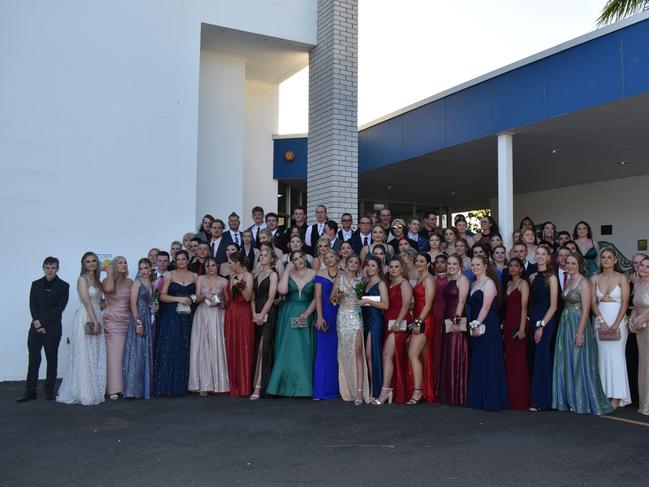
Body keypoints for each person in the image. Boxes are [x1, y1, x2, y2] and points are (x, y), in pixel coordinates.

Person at [552, 253, 612, 415]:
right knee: (567, 359)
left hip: (578, 322)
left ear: (579, 264)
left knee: (579, 360)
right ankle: (569, 399)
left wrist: (580, 333)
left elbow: (586, 310)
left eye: (573, 263)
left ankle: (582, 400)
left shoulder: (584, 282)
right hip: (565, 323)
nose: (569, 265)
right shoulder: (569, 280)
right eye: (567, 263)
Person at [57, 252, 106, 406]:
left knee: (95, 353)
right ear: (84, 264)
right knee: (85, 354)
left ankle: (94, 388)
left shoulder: (97, 281)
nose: (91, 264)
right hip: (87, 317)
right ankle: (84, 392)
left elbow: (100, 302)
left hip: (97, 315)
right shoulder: (82, 279)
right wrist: (95, 321)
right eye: (87, 261)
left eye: (93, 261)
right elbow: (86, 301)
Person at [18, 257, 69, 402]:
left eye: (53, 267)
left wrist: (42, 323)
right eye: (47, 267)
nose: (50, 270)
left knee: (51, 359)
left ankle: (49, 391)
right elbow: (32, 306)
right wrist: (37, 324)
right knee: (33, 359)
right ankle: (30, 391)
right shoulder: (35, 284)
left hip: (52, 328)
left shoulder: (64, 286)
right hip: (35, 328)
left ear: (57, 269)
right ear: (43, 268)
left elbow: (58, 309)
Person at [266, 251, 317, 397]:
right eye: (295, 259)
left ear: (305, 258)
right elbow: (282, 290)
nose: (298, 260)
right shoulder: (289, 272)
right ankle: (282, 386)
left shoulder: (314, 273)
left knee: (303, 349)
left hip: (307, 311)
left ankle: (304, 387)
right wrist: (287, 270)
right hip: (288, 313)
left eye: (300, 257)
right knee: (287, 348)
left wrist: (307, 313)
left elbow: (317, 297)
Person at [466, 256, 508, 411]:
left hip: (488, 323)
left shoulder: (489, 283)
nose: (475, 267)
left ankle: (492, 399)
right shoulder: (473, 283)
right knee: (479, 358)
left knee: (489, 359)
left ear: (485, 266)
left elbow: (486, 306)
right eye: (472, 265)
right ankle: (479, 398)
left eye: (478, 264)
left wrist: (477, 323)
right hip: (475, 323)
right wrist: (473, 324)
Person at [591, 248, 631, 408]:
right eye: (603, 257)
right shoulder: (594, 278)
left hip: (618, 320)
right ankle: (604, 394)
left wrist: (615, 324)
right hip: (601, 320)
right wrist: (601, 320)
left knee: (617, 358)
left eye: (609, 257)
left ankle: (616, 397)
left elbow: (626, 303)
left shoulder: (622, 278)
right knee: (602, 358)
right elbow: (593, 302)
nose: (606, 260)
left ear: (615, 260)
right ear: (600, 260)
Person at [153, 250, 197, 397]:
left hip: (188, 316)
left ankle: (182, 384)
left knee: (184, 347)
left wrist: (192, 298)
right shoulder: (169, 275)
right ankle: (166, 385)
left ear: (188, 260)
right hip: (171, 315)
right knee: (170, 347)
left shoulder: (195, 276)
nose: (181, 261)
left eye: (183, 259)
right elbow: (162, 296)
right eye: (178, 259)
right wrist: (179, 299)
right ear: (175, 261)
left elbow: (198, 295)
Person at [373, 257, 413, 405]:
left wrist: (397, 323)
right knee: (389, 356)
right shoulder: (389, 284)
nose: (393, 269)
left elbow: (406, 305)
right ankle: (390, 389)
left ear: (402, 269)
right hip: (388, 322)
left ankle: (385, 390)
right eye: (391, 267)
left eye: (396, 267)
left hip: (399, 323)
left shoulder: (405, 283)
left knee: (387, 354)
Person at [188, 256, 229, 396]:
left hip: (217, 315)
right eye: (207, 266)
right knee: (202, 347)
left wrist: (221, 303)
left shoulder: (224, 281)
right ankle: (204, 384)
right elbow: (194, 299)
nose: (210, 268)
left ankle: (219, 382)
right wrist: (204, 294)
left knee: (217, 346)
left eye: (212, 265)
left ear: (216, 266)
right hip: (202, 314)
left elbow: (228, 301)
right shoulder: (200, 279)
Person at [334, 255, 370, 404]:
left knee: (357, 352)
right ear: (346, 263)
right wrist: (338, 295)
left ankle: (360, 391)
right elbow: (332, 299)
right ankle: (348, 388)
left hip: (356, 317)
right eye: (351, 262)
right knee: (345, 353)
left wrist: (363, 301)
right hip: (342, 317)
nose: (353, 264)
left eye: (356, 262)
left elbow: (370, 299)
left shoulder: (361, 280)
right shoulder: (340, 278)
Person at [527, 245, 559, 411]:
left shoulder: (552, 277)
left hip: (546, 319)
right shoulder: (532, 276)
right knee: (536, 356)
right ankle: (538, 398)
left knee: (542, 356)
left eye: (543, 254)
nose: (539, 256)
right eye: (537, 253)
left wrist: (541, 326)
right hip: (534, 317)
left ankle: (542, 401)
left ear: (548, 257)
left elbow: (554, 306)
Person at [122, 258, 158, 399]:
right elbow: (132, 304)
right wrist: (138, 323)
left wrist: (155, 307)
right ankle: (133, 389)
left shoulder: (154, 285)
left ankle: (144, 389)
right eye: (141, 268)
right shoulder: (137, 283)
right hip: (139, 319)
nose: (143, 271)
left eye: (145, 268)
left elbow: (154, 303)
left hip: (150, 319)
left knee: (146, 353)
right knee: (137, 352)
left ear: (150, 268)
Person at [438, 255, 470, 406]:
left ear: (460, 265)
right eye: (449, 263)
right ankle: (449, 393)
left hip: (456, 317)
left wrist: (456, 321)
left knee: (455, 352)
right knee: (448, 353)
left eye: (454, 264)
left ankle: (458, 395)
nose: (451, 266)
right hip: (448, 316)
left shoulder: (462, 279)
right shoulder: (450, 280)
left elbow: (462, 301)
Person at [102, 256, 133, 399]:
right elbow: (109, 289)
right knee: (114, 355)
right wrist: (109, 273)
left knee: (126, 355)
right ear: (114, 266)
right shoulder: (107, 281)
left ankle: (125, 386)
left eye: (125, 262)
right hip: (112, 322)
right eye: (120, 263)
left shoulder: (131, 282)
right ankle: (114, 388)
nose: (124, 264)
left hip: (127, 320)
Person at [408, 253, 437, 404]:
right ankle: (426, 390)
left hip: (426, 320)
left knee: (413, 354)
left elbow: (428, 304)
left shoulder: (429, 279)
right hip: (420, 318)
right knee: (423, 356)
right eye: (417, 260)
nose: (418, 263)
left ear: (428, 263)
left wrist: (418, 322)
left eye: (422, 261)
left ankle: (418, 392)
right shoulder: (420, 278)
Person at [224, 253, 254, 397]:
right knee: (232, 346)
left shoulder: (248, 276)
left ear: (237, 263)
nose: (229, 265)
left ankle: (244, 386)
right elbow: (229, 297)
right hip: (231, 313)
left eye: (230, 262)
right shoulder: (231, 276)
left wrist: (239, 284)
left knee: (243, 346)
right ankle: (232, 384)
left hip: (243, 313)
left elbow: (248, 297)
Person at [503, 258, 530, 410]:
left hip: (519, 325)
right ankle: (511, 398)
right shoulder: (508, 284)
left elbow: (524, 308)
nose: (513, 268)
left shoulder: (523, 284)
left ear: (521, 269)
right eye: (511, 266)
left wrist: (521, 329)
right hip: (508, 324)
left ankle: (521, 398)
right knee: (510, 360)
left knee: (520, 361)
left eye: (516, 266)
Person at [250, 248, 278, 399]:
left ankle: (260, 386)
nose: (262, 257)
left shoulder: (273, 275)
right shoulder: (254, 274)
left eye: (266, 255)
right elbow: (252, 297)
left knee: (263, 348)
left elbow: (271, 297)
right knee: (256, 347)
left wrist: (262, 314)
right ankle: (254, 383)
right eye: (261, 254)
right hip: (255, 313)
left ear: (272, 259)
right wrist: (254, 313)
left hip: (269, 313)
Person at [313, 249, 340, 400]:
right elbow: (317, 297)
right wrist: (320, 316)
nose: (329, 259)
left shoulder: (343, 273)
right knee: (323, 353)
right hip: (324, 315)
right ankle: (321, 390)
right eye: (326, 257)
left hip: (339, 315)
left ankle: (336, 388)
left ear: (337, 257)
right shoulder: (320, 274)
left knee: (336, 353)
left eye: (331, 256)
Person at [360, 256, 389, 400]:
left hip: (376, 320)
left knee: (371, 353)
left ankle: (376, 389)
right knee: (367, 354)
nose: (370, 268)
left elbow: (385, 305)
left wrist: (367, 301)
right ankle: (372, 387)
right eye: (368, 265)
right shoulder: (366, 282)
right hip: (365, 319)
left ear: (378, 268)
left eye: (373, 265)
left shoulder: (381, 283)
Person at [629, 256, 649, 415]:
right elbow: (636, 305)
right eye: (642, 265)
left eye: (648, 266)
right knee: (644, 365)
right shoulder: (637, 284)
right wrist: (631, 319)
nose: (643, 268)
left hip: (647, 325)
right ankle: (645, 404)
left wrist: (642, 318)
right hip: (641, 330)